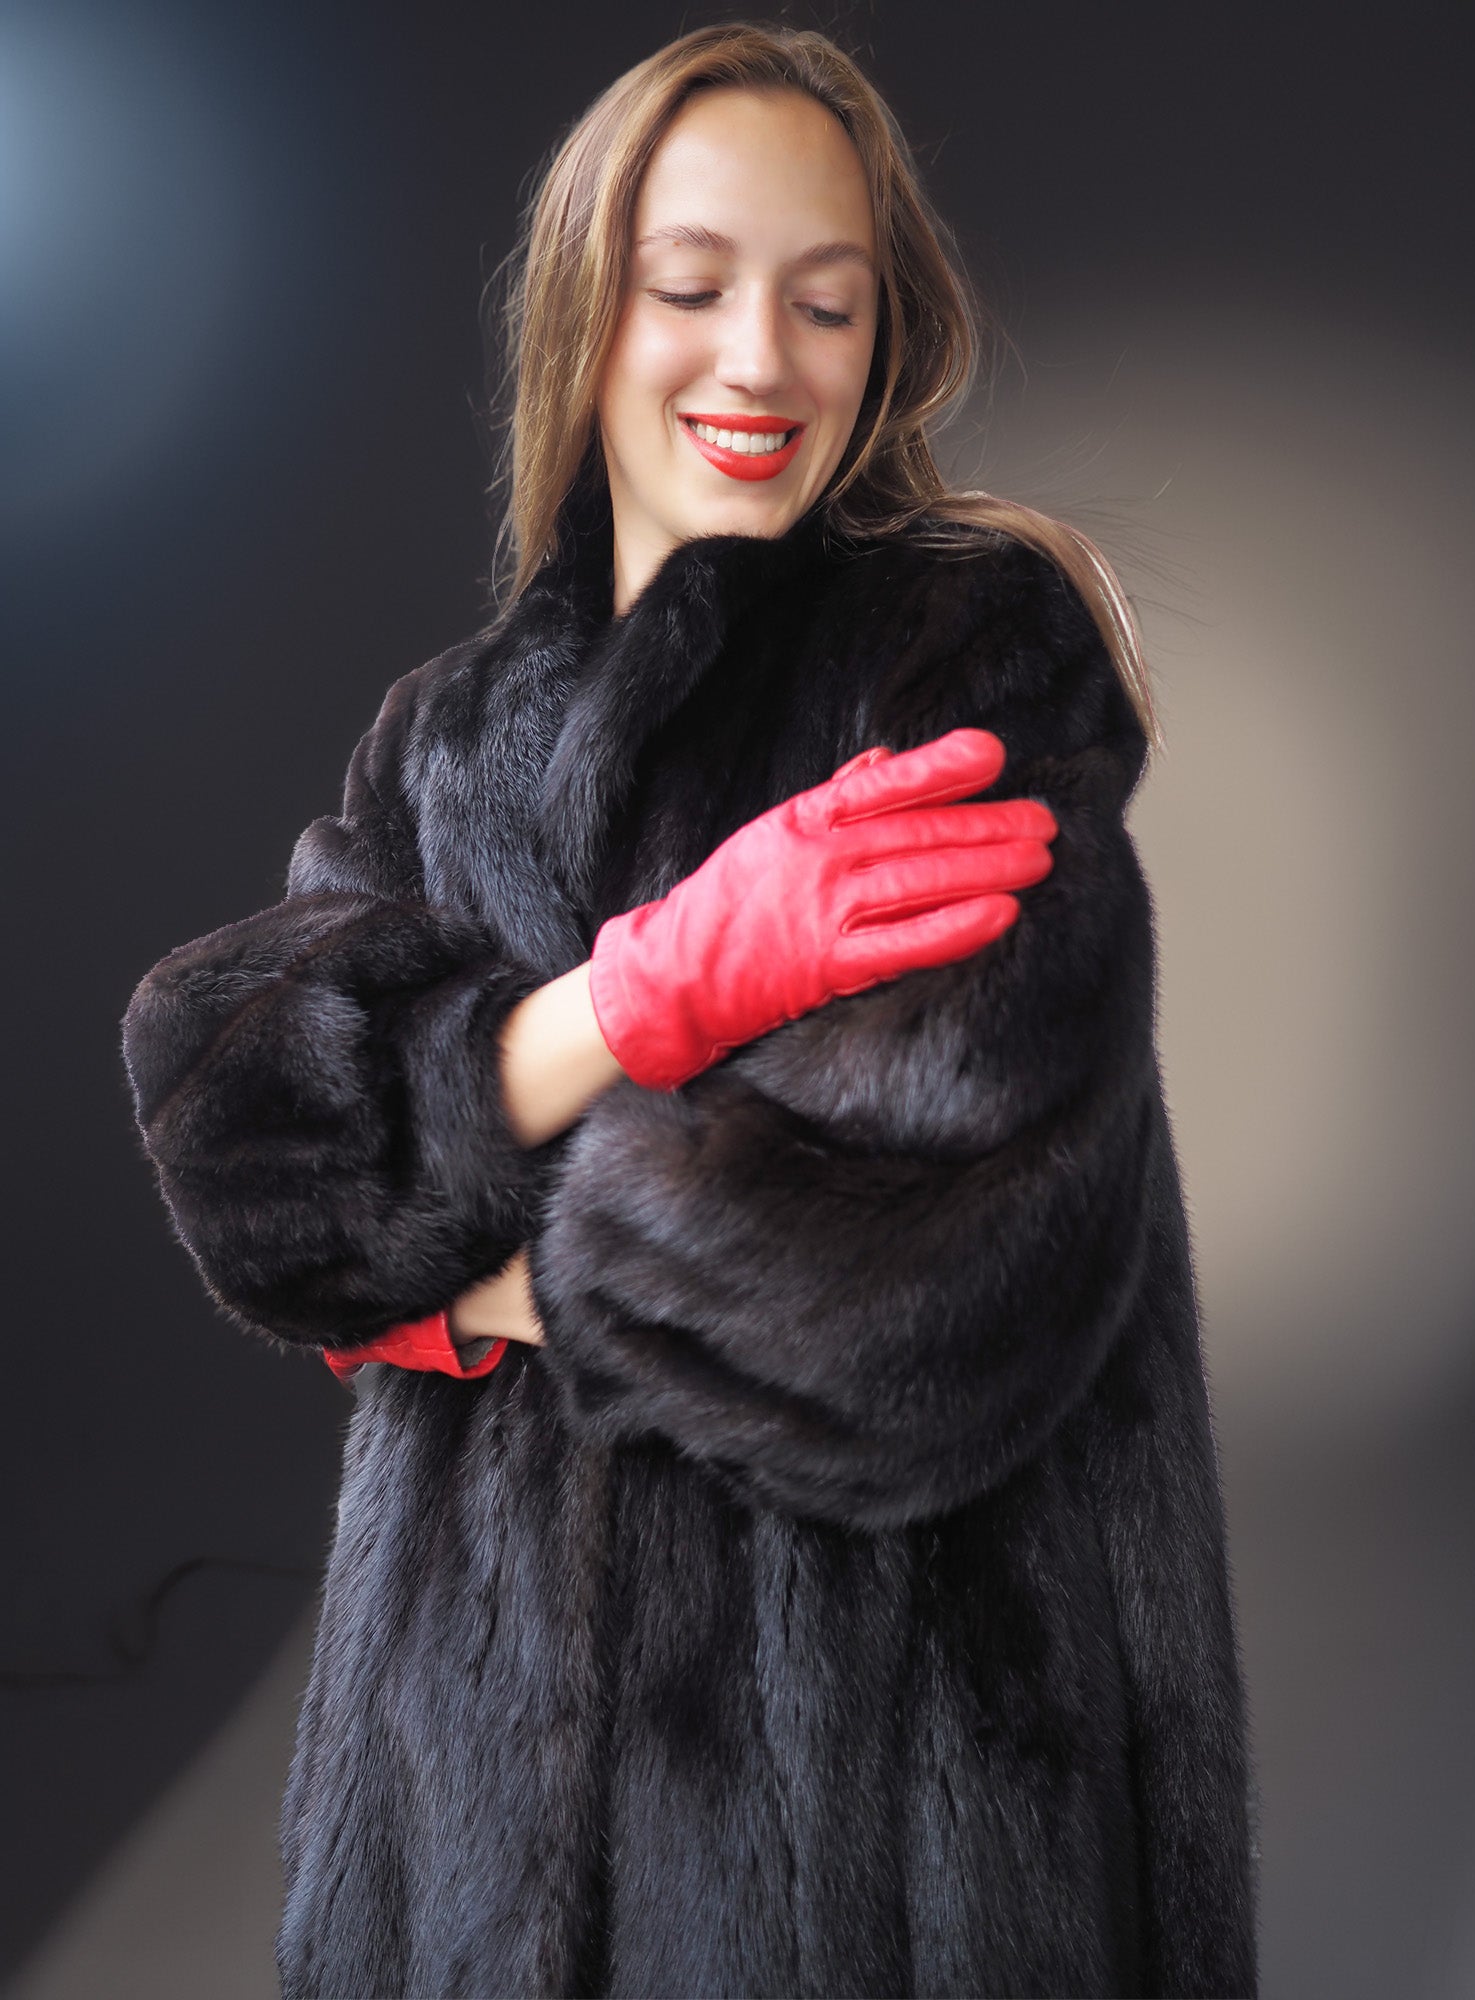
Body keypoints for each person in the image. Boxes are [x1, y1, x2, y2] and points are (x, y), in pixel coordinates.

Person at [121, 22, 1257, 2000]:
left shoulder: (964, 671)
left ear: (887, 340)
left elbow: (894, 1317)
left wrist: (433, 1284)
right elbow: (238, 1138)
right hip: (452, 1854)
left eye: (829, 303)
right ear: (589, 310)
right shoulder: (446, 737)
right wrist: (643, 1001)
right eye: (693, 286)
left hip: (897, 1839)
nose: (761, 361)